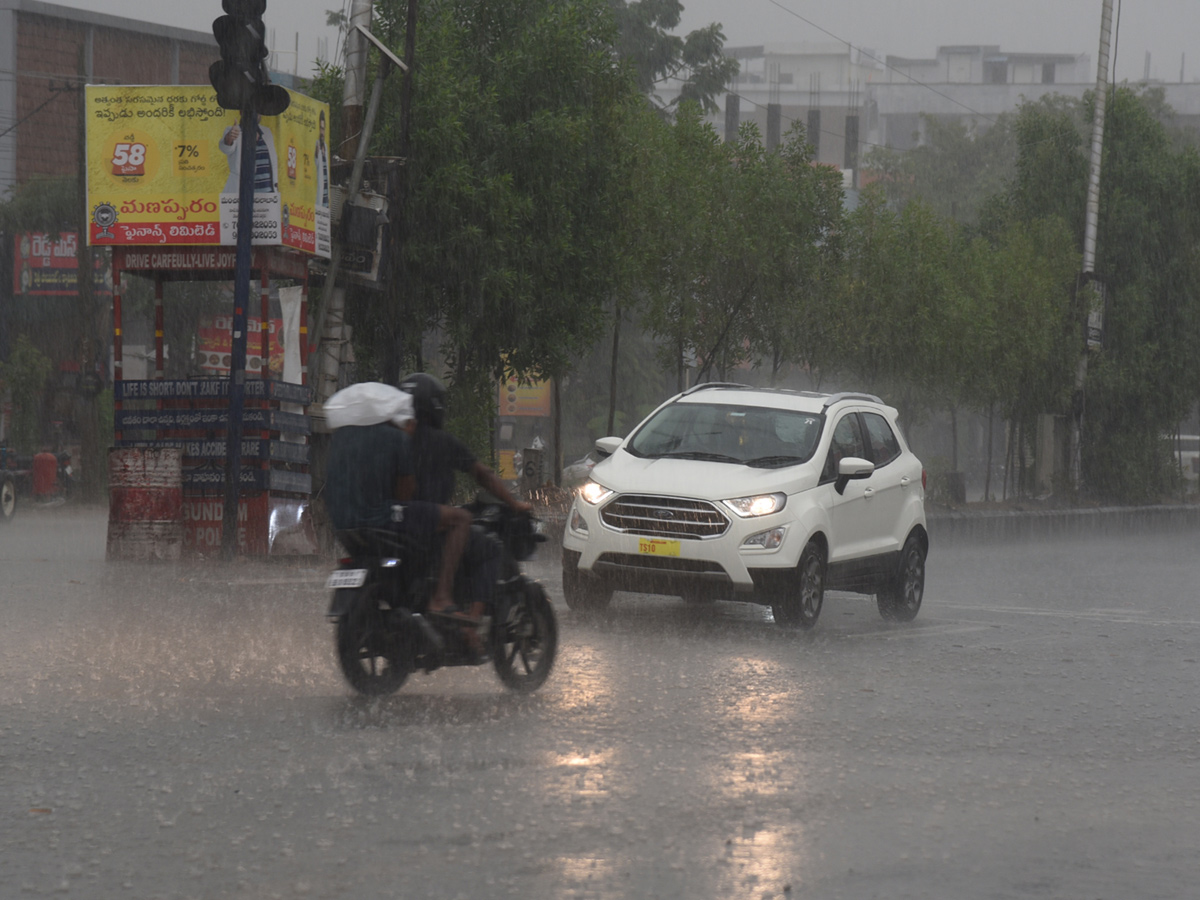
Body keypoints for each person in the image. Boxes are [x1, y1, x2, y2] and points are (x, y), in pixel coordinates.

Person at [399, 373, 532, 631]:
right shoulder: (442, 441)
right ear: (436, 406)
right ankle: (471, 623)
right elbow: (483, 475)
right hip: (429, 526)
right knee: (490, 548)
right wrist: (515, 504)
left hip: (397, 524)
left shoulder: (395, 440)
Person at [323, 384, 470, 616]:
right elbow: (405, 493)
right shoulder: (395, 438)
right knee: (461, 519)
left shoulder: (339, 438)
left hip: (342, 523)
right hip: (380, 519)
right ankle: (441, 597)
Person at [219, 122, 278, 194]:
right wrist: (230, 138)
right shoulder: (234, 131)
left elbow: (273, 162)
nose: (254, 113)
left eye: (258, 111)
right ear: (241, 112)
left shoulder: (266, 131)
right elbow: (226, 149)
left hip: (267, 196)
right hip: (243, 195)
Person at [314, 110, 329, 208]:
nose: (322, 132)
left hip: (326, 199)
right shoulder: (316, 145)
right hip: (319, 197)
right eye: (320, 128)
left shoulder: (326, 147)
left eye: (323, 129)